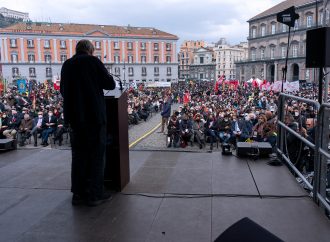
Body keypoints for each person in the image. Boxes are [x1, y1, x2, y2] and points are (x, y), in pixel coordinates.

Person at [60, 39, 116, 207]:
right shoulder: (93, 61)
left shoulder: (67, 64)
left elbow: (63, 90)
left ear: (77, 50)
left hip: (75, 118)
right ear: (90, 50)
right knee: (96, 156)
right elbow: (110, 84)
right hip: (94, 117)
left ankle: (78, 194)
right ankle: (95, 194)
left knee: (78, 156)